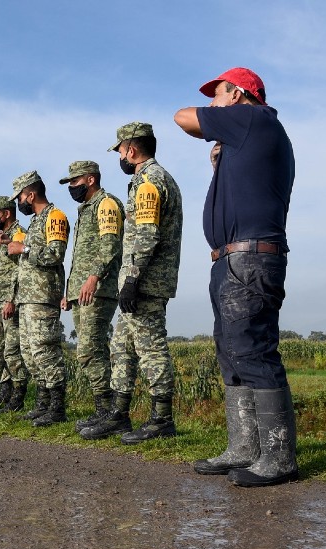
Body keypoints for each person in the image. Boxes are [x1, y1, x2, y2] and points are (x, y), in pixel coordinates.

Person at [174, 67, 298, 487]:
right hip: (230, 260)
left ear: (239, 94)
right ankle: (244, 448)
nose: (212, 103)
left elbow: (183, 117)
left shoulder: (254, 118)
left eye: (218, 95)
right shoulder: (249, 134)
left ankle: (278, 456)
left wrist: (216, 129)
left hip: (249, 260)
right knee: (232, 353)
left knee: (253, 350)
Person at [82, 123, 184, 444]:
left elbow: (147, 234)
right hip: (139, 280)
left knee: (151, 348)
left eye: (120, 151)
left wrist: (133, 278)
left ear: (130, 149)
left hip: (146, 282)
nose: (120, 158)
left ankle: (161, 419)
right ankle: (119, 414)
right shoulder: (153, 180)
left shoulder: (148, 182)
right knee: (121, 347)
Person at [58, 160, 124, 431]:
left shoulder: (106, 203)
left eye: (74, 181)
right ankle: (104, 409)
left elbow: (110, 244)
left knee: (89, 350)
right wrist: (69, 293)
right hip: (82, 292)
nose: (71, 187)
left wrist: (94, 277)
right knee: (88, 351)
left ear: (90, 179)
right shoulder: (85, 210)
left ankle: (108, 411)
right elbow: (79, 257)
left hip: (99, 289)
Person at [7, 171, 70, 427]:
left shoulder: (55, 217)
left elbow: (56, 254)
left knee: (45, 351)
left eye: (20, 197)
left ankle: (58, 408)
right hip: (27, 298)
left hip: (43, 297)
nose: (18, 202)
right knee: (30, 353)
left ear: (30, 194)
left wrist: (25, 248)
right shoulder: (35, 222)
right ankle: (43, 404)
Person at [0, 195, 29, 411]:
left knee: (12, 352)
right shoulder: (0, 238)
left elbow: (22, 271)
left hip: (12, 303)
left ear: (7, 213)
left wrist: (11, 299)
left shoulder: (19, 234)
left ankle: (17, 398)